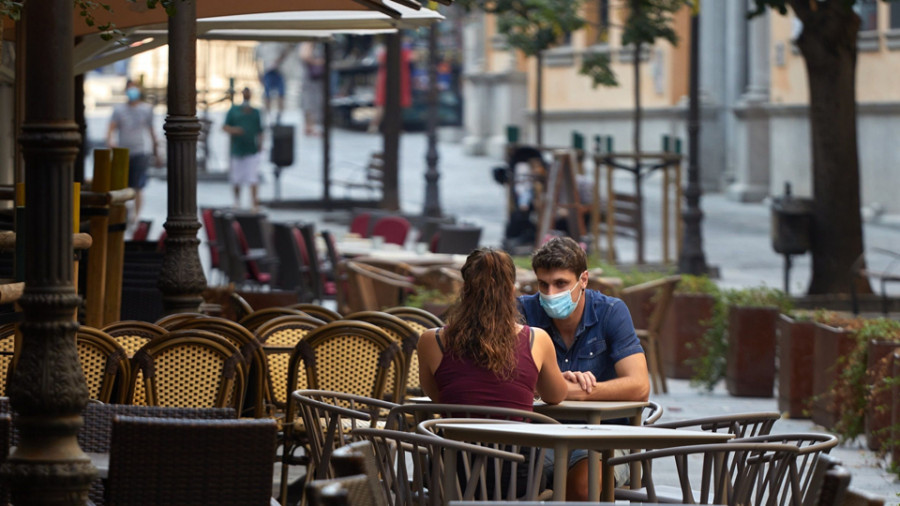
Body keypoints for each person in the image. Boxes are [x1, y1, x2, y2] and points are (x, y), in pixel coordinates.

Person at [518, 236, 650, 500]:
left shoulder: (611, 312)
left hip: (605, 439)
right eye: (543, 284)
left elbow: (639, 386)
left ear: (584, 280)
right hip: (538, 438)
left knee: (584, 484)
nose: (551, 294)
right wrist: (555, 385)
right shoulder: (523, 311)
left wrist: (568, 390)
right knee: (494, 472)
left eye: (561, 284)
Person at [106, 79, 159, 223]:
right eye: (129, 88)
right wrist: (110, 142)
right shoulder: (119, 110)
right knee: (121, 185)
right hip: (122, 152)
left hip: (140, 152)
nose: (132, 92)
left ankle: (136, 216)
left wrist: (156, 150)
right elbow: (111, 128)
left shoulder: (146, 109)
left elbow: (152, 130)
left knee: (138, 186)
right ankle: (123, 214)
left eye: (134, 88)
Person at [222, 87, 263, 210]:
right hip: (237, 149)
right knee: (236, 178)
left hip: (251, 149)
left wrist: (261, 144)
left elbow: (260, 130)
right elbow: (225, 126)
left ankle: (254, 203)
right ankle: (237, 201)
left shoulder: (255, 112)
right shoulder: (234, 111)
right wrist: (235, 130)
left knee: (253, 177)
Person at [255, 42, 293, 119]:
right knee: (267, 95)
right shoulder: (259, 46)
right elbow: (256, 61)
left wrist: (278, 61)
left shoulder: (278, 43)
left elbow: (287, 50)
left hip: (279, 71)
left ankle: (279, 116)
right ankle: (269, 116)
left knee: (281, 95)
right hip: (267, 72)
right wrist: (259, 73)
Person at [299, 42, 325, 136]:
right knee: (310, 102)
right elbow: (305, 56)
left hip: (314, 80)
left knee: (314, 102)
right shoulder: (308, 43)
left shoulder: (314, 44)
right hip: (310, 78)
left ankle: (310, 127)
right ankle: (310, 126)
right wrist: (318, 62)